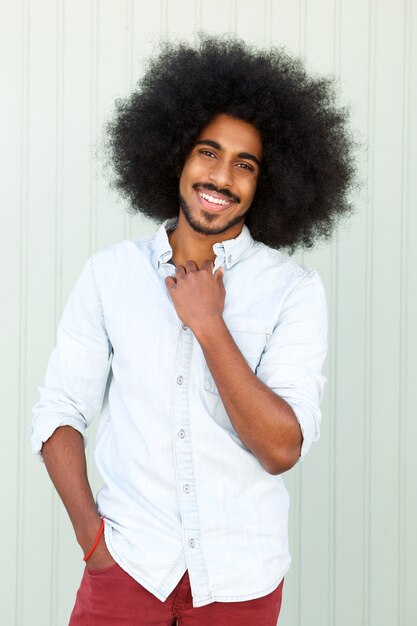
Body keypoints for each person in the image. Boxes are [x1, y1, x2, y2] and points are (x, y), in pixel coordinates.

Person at [31, 34, 355, 625]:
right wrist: (92, 543)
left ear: (268, 183)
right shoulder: (110, 276)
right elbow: (58, 412)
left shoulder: (294, 291)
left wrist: (208, 323)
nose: (221, 176)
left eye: (245, 164)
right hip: (126, 566)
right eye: (208, 152)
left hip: (242, 579)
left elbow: (282, 448)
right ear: (175, 154)